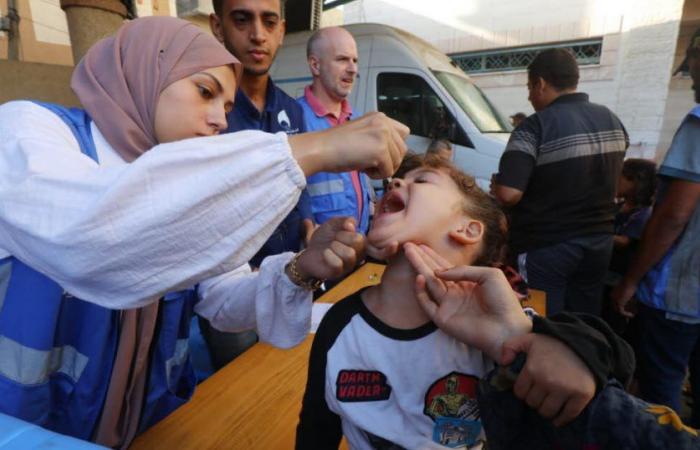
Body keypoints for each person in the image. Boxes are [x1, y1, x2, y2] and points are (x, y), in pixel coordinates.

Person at [0, 17, 408, 448]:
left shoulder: (188, 190)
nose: (218, 120)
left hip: (148, 427)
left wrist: (299, 270)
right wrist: (318, 147)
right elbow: (95, 238)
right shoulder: (26, 128)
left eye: (228, 109)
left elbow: (224, 298)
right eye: (205, 92)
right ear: (146, 72)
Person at [296, 154, 633, 449]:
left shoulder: (491, 321)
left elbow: (615, 355)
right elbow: (316, 428)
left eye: (422, 180)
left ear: (468, 230)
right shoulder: (340, 323)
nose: (395, 181)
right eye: (399, 179)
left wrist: (563, 349)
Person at [203, 0, 314, 369]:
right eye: (242, 20)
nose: (257, 35)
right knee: (239, 392)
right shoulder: (205, 115)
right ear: (217, 26)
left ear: (282, 30)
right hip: (228, 289)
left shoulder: (292, 109)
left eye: (268, 22)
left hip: (290, 275)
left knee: (288, 378)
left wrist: (309, 224)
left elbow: (302, 182)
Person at [491, 48, 628, 315]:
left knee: (537, 322)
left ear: (540, 83)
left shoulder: (534, 126)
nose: (529, 96)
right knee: (582, 322)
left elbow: (509, 194)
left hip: (545, 246)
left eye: (529, 88)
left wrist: (497, 186)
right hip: (599, 244)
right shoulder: (612, 120)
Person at [611, 27, 700, 428]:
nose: (692, 80)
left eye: (693, 69)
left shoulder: (699, 122)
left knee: (660, 395)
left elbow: (674, 216)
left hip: (677, 295)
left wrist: (631, 279)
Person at [297, 26, 374, 235]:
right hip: (315, 256)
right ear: (315, 65)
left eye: (355, 60)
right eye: (342, 59)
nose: (352, 69)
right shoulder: (295, 119)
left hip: (358, 247)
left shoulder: (357, 119)